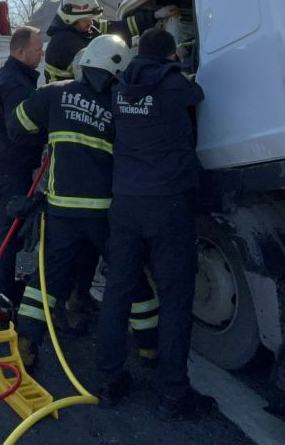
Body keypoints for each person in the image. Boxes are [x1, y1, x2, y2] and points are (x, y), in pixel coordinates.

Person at [6, 35, 160, 369]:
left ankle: (27, 341)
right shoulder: (123, 106)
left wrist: (52, 125)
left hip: (61, 210)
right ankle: (150, 344)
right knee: (127, 274)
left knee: (46, 279)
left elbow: (16, 125)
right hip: (105, 214)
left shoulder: (54, 93)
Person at [96, 27, 216, 421]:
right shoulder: (174, 84)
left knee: (117, 294)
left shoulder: (120, 88)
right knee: (176, 299)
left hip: (126, 204)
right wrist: (180, 64)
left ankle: (110, 382)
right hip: (168, 207)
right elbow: (198, 94)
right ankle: (172, 393)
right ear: (168, 56)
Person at [0, 25, 46, 300]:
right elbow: (20, 130)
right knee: (8, 233)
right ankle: (4, 295)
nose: (41, 53)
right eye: (37, 49)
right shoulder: (17, 85)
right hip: (9, 167)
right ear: (20, 51)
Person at [42, 0, 171, 83]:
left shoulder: (84, 27)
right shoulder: (61, 44)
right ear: (70, 18)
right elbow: (90, 77)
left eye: (92, 18)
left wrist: (155, 16)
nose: (91, 23)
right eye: (86, 19)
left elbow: (118, 27)